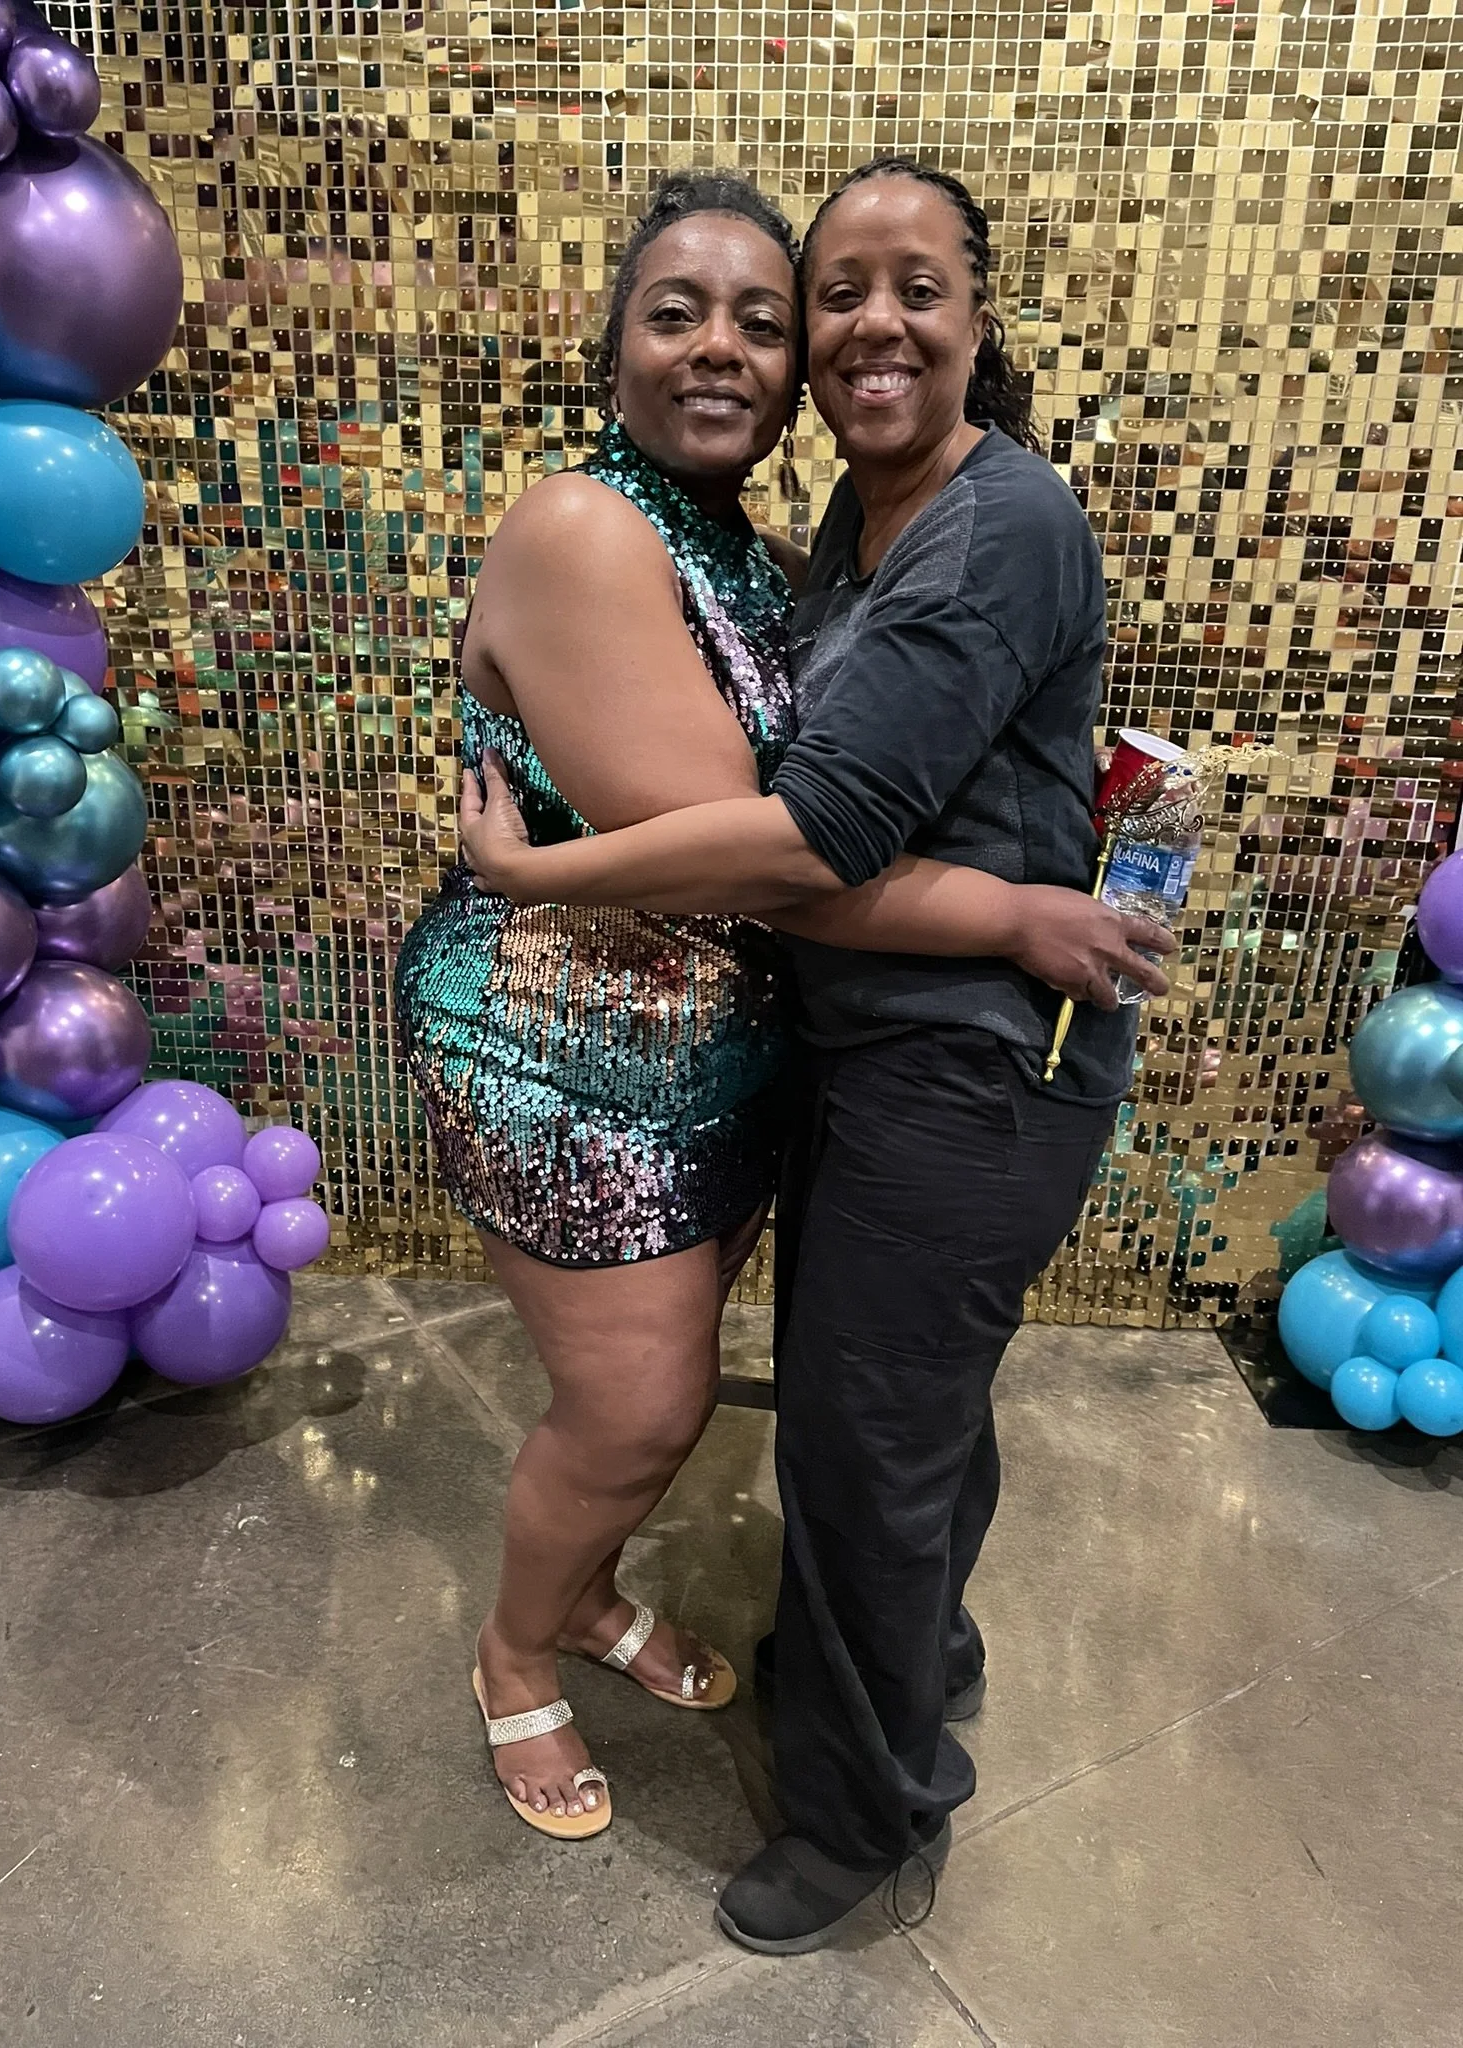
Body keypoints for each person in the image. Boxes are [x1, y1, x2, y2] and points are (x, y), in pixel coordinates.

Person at [459, 155, 1171, 1935]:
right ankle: (909, 1657)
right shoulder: (846, 529)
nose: (867, 325)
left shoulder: (990, 524)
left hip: (964, 1066)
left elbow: (803, 844)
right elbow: (786, 836)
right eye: (836, 292)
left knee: (861, 1449)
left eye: (912, 287)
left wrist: (533, 868)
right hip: (819, 1047)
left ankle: (864, 1823)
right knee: (896, 1418)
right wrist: (1008, 903)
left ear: (981, 319)